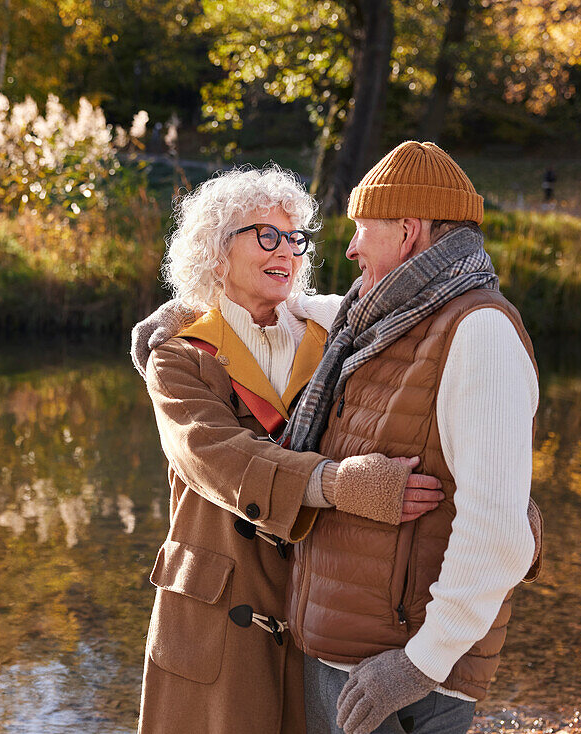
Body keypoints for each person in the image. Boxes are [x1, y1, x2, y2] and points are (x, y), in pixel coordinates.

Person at [132, 164, 445, 734]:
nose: (288, 251)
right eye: (266, 235)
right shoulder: (178, 356)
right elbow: (215, 456)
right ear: (216, 251)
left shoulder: (334, 340)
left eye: (295, 238)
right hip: (213, 617)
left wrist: (486, 500)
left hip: (317, 602)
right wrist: (334, 483)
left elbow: (408, 427)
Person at [280, 141, 541, 734]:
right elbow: (296, 308)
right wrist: (190, 315)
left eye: (362, 228)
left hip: (405, 679)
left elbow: (500, 528)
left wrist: (419, 666)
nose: (350, 249)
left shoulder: (479, 332)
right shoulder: (381, 320)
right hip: (351, 660)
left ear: (409, 230)